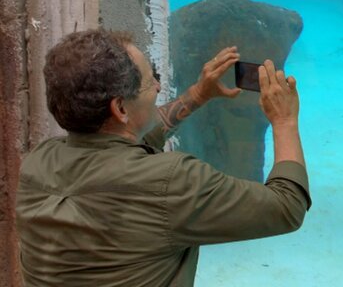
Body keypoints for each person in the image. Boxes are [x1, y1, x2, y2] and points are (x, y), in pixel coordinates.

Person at [15, 28, 310, 286]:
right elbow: (287, 207)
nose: (158, 86)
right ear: (120, 108)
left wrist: (197, 94)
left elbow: (124, 147)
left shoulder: (38, 163)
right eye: (150, 81)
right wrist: (284, 121)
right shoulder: (171, 182)